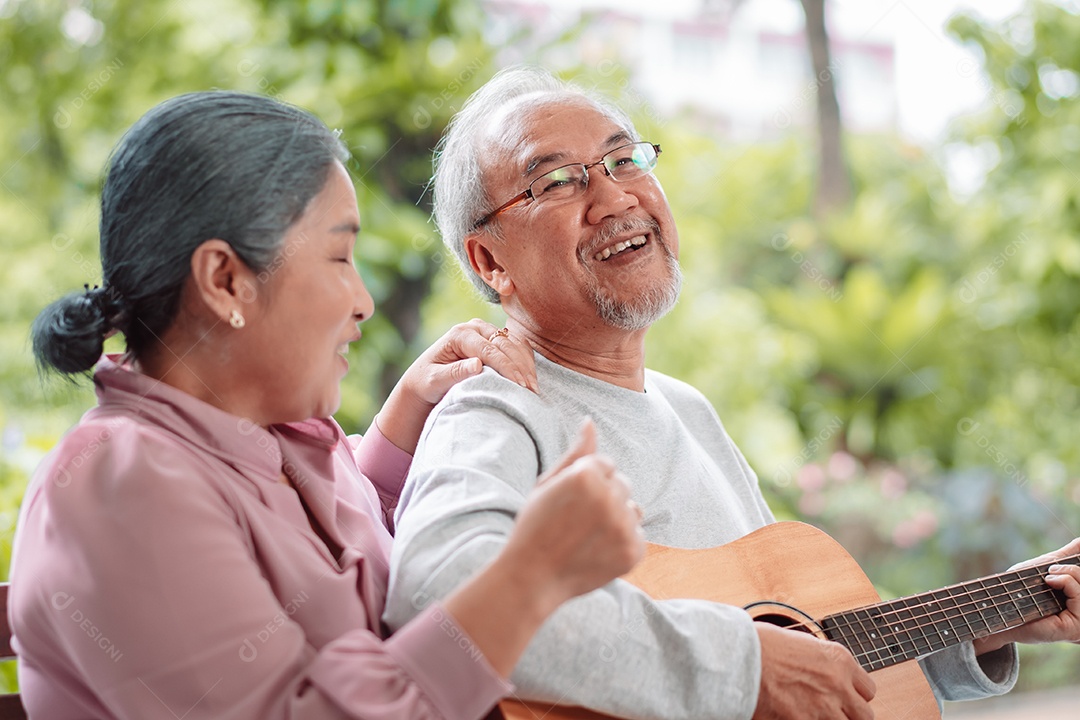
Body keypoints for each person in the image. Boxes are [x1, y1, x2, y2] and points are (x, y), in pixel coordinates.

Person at [383, 66, 1080, 720]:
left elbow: (802, 662)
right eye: (559, 181)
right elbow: (438, 597)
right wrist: (738, 665)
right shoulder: (496, 409)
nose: (616, 198)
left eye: (624, 160)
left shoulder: (684, 406)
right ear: (489, 260)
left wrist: (1000, 616)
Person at [11, 90, 647, 720]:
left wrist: (402, 425)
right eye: (340, 256)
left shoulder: (269, 433)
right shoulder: (119, 486)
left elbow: (322, 573)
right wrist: (529, 578)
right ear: (226, 281)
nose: (363, 302)